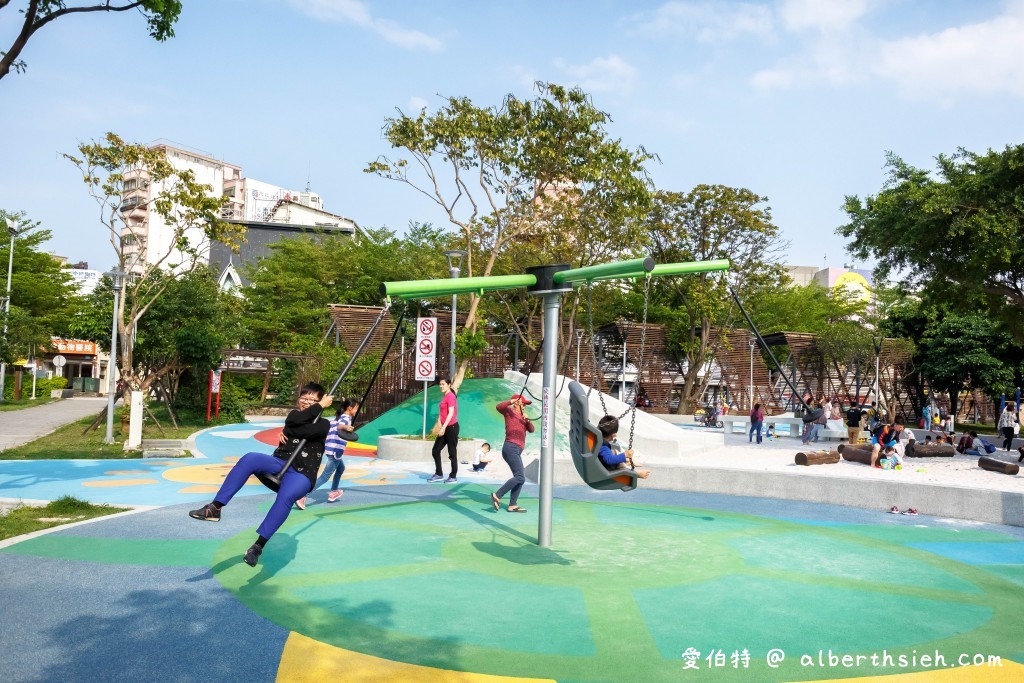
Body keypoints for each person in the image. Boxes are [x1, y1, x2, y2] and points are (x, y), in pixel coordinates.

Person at [189, 383, 332, 567]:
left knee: (286, 496)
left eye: (312, 400)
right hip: (280, 463)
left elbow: (305, 430)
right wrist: (315, 409)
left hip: (302, 474)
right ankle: (215, 507)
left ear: (322, 401)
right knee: (250, 458)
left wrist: (293, 428)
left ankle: (257, 546)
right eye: (303, 398)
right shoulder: (293, 415)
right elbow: (297, 423)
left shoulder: (324, 424)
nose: (306, 402)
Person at [295, 398, 359, 508]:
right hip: (336, 451)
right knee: (325, 477)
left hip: (330, 449)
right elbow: (340, 426)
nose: (357, 411)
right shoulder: (346, 418)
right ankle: (303, 496)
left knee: (340, 469)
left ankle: (334, 491)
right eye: (356, 408)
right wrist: (346, 427)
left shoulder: (336, 418)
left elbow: (334, 427)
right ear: (350, 408)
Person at [491, 394, 535, 513]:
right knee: (520, 476)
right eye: (523, 404)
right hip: (510, 447)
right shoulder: (509, 412)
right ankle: (498, 495)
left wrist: (527, 419)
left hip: (516, 450)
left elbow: (532, 429)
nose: (525, 407)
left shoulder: (522, 418)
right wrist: (512, 401)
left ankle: (512, 504)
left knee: (520, 478)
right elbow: (499, 406)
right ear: (517, 403)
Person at [595, 415, 651, 479]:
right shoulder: (603, 447)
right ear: (614, 435)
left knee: (615, 451)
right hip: (607, 468)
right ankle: (637, 473)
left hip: (601, 462)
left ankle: (629, 460)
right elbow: (609, 460)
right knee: (620, 463)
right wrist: (625, 455)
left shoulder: (596, 438)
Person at [428, 378, 460, 483]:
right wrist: (439, 423)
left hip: (452, 428)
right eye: (440, 384)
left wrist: (443, 427)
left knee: (452, 453)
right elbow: (442, 412)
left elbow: (451, 413)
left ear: (449, 385)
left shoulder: (450, 396)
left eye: (443, 384)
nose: (441, 386)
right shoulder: (445, 396)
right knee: (435, 450)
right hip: (445, 427)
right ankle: (439, 474)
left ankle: (453, 476)